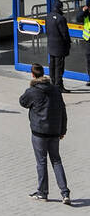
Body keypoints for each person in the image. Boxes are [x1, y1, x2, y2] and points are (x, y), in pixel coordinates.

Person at [19, 61, 71, 204]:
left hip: (39, 132)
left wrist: (30, 88)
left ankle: (43, 192)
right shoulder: (55, 90)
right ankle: (65, 193)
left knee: (41, 162)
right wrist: (63, 130)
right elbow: (63, 110)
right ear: (43, 73)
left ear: (32, 74)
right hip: (54, 131)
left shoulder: (33, 91)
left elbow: (22, 102)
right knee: (56, 160)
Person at [45, 0, 71, 92]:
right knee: (59, 67)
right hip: (59, 46)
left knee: (52, 65)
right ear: (60, 8)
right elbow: (65, 34)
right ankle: (58, 85)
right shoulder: (61, 18)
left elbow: (46, 31)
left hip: (51, 45)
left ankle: (52, 83)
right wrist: (68, 44)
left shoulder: (48, 17)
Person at [81, 3, 90, 86]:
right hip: (88, 42)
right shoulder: (86, 15)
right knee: (88, 61)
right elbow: (78, 18)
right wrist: (83, 11)